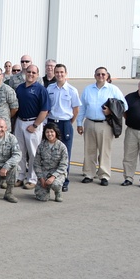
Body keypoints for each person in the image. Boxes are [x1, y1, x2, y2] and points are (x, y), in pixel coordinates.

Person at [77, 66, 127, 186]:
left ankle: (104, 175)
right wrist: (79, 123)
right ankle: (89, 173)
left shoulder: (113, 89)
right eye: (98, 74)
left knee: (105, 151)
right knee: (89, 150)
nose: (101, 76)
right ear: (95, 76)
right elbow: (82, 107)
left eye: (103, 74)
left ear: (107, 76)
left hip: (105, 124)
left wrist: (111, 111)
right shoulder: (88, 89)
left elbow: (124, 105)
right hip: (89, 123)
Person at [13, 64, 51, 190]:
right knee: (20, 151)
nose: (30, 74)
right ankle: (20, 176)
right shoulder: (20, 88)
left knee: (33, 153)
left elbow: (45, 110)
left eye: (33, 72)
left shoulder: (41, 89)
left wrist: (35, 125)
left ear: (37, 74)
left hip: (33, 123)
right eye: (28, 72)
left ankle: (32, 179)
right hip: (20, 122)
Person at [46, 63, 80, 191]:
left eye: (61, 72)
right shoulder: (50, 88)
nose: (59, 74)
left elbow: (76, 110)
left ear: (66, 74)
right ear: (54, 73)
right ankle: (50, 179)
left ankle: (64, 181)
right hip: (51, 123)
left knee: (65, 153)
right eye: (57, 72)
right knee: (50, 152)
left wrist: (68, 122)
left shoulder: (72, 90)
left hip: (65, 123)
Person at [33, 122, 68, 202]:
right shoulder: (41, 146)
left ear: (56, 132)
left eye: (52, 132)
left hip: (57, 173)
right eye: (47, 132)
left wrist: (53, 177)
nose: (49, 134)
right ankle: (45, 190)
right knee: (42, 198)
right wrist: (41, 178)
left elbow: (63, 165)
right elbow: (36, 163)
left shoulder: (62, 147)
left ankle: (58, 191)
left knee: (56, 184)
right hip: (44, 172)